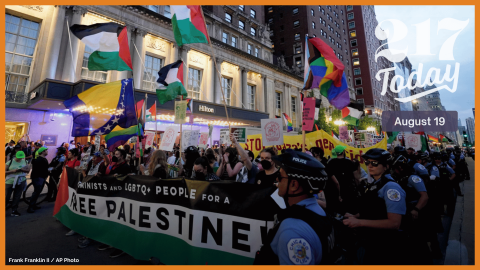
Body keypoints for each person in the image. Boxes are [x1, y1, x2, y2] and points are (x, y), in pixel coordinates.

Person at [254, 149, 330, 265]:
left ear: (294, 185)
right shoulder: (317, 211)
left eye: (280, 176)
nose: (277, 179)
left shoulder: (292, 231)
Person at [342, 148, 407, 265]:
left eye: (375, 163)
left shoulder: (391, 188)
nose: (370, 166)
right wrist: (355, 217)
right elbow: (373, 211)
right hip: (371, 242)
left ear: (386, 166)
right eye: (367, 163)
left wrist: (360, 223)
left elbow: (394, 223)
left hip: (385, 246)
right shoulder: (374, 184)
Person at [390, 155, 430, 264]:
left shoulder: (413, 178)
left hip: (415, 212)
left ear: (401, 167)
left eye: (396, 169)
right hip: (406, 213)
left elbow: (424, 196)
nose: (394, 171)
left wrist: (416, 209)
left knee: (419, 240)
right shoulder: (399, 178)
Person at [326, 145, 357, 215]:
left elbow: (335, 182)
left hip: (334, 193)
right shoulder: (349, 163)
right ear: (343, 152)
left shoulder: (330, 163)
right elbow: (355, 177)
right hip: (348, 192)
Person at [5, 151, 30, 216]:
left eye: (21, 157)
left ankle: (14, 210)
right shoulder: (9, 162)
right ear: (15, 156)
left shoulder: (25, 161)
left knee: (17, 196)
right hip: (10, 181)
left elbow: (28, 171)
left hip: (21, 181)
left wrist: (22, 170)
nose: (20, 159)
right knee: (6, 197)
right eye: (18, 157)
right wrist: (12, 171)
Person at [28, 147, 49, 213]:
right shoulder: (42, 160)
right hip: (39, 177)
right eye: (46, 150)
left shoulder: (37, 159)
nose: (47, 151)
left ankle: (33, 205)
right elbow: (43, 169)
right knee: (36, 192)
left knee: (37, 192)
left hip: (37, 177)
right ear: (42, 152)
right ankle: (30, 207)